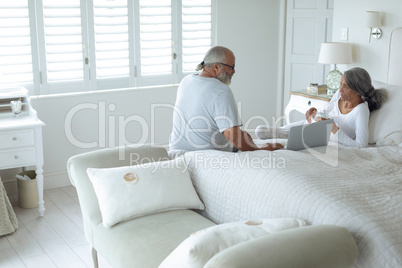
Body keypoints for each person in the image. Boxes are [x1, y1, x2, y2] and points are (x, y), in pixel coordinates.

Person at [169, 46, 283, 152]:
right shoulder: (220, 90)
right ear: (216, 67)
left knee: (243, 136)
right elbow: (233, 137)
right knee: (242, 139)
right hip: (205, 157)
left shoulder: (186, 80)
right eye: (231, 67)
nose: (234, 71)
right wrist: (260, 149)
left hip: (176, 152)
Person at [255, 67, 387, 147]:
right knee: (260, 130)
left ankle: (287, 138)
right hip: (312, 125)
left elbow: (361, 146)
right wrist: (315, 113)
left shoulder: (361, 111)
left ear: (358, 90)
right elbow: (327, 109)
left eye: (345, 86)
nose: (340, 89)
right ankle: (284, 135)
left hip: (320, 137)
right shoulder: (340, 95)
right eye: (340, 84)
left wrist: (334, 129)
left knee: (277, 136)